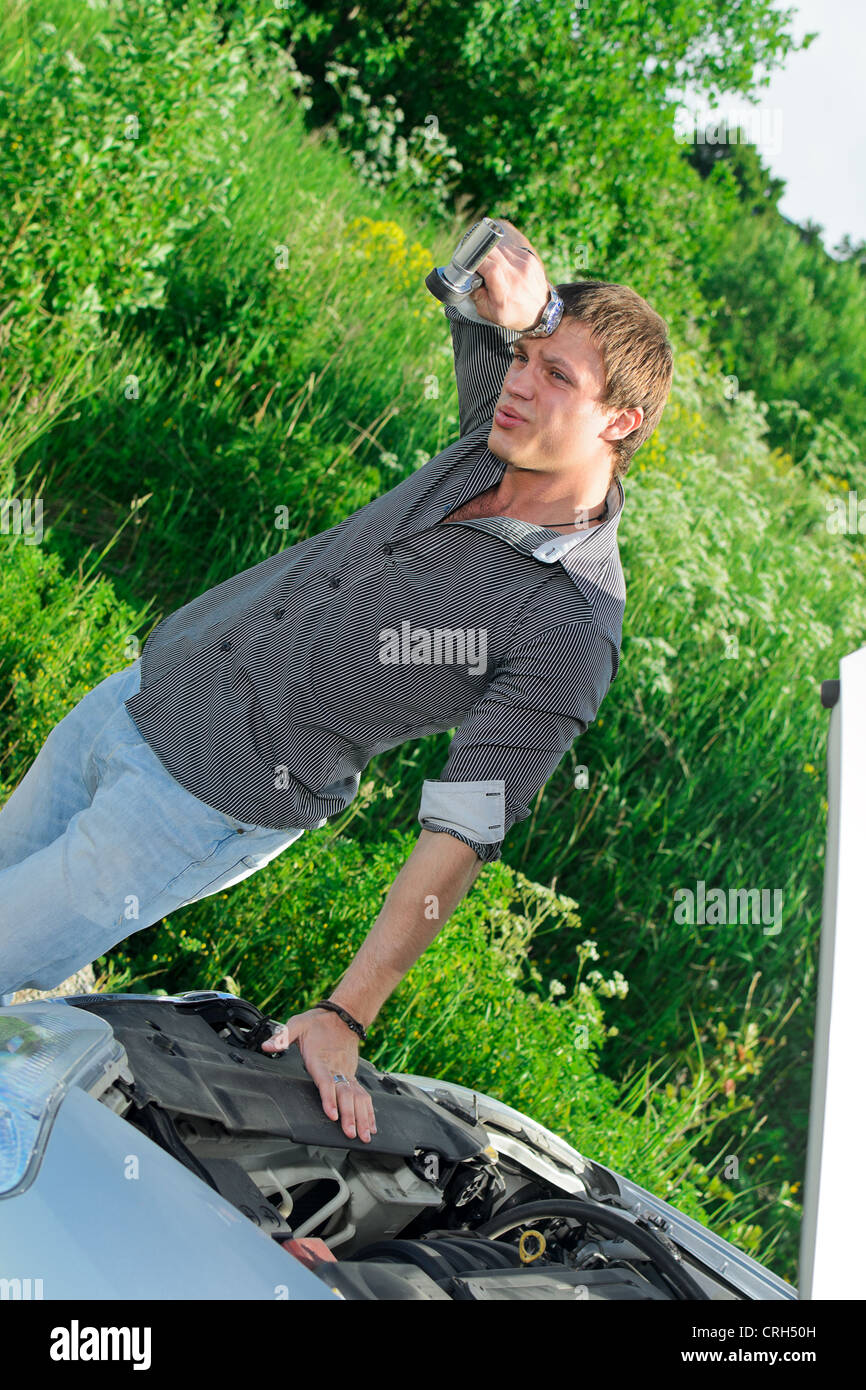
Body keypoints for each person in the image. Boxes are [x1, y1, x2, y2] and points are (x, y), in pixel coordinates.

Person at [0, 219, 673, 1145]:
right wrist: (543, 316)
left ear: (622, 419)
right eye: (526, 358)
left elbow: (463, 830)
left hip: (196, 807)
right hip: (133, 703)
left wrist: (347, 1013)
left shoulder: (571, 622)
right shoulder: (496, 436)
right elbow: (486, 259)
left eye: (559, 376)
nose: (521, 381)